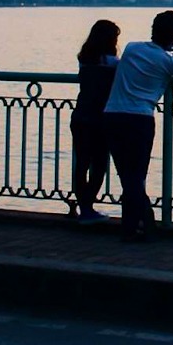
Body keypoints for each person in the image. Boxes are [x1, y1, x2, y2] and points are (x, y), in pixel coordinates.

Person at [103, 10, 173, 242]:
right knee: (136, 176)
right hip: (139, 119)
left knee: (127, 175)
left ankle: (136, 227)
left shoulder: (131, 48)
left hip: (113, 115)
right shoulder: (168, 62)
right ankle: (142, 227)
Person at [71, 19, 120, 225]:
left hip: (80, 115)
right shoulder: (113, 64)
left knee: (81, 163)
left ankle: (84, 207)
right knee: (99, 164)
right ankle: (88, 206)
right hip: (100, 118)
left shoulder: (84, 59)